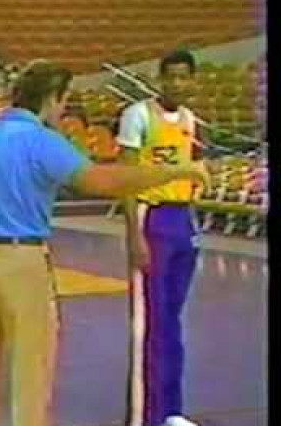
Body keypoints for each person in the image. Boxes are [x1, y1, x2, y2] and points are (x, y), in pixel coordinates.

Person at [0, 59, 209, 426]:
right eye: (63, 102)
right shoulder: (40, 141)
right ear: (53, 98)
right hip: (20, 261)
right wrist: (178, 170)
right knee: (31, 375)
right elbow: (103, 181)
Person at [118, 49, 206, 426]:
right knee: (151, 323)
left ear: (193, 81)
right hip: (150, 219)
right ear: (159, 79)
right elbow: (126, 180)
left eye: (184, 77)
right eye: (170, 77)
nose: (176, 84)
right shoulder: (138, 116)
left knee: (172, 320)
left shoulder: (190, 120)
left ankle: (172, 411)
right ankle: (145, 416)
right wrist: (134, 236)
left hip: (182, 219)